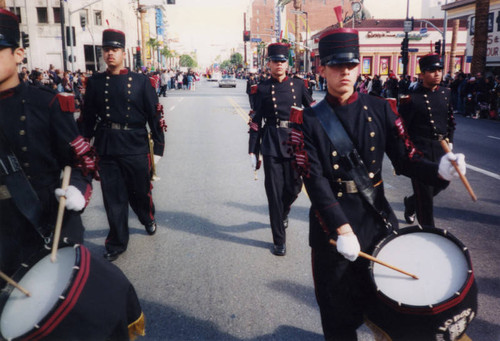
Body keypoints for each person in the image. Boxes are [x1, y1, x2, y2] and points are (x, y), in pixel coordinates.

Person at [288, 28, 466, 340]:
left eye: (351, 65)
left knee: (392, 309)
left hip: (377, 222)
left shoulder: (381, 108)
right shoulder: (308, 121)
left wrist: (439, 170)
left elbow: (406, 158)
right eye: (336, 66)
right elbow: (314, 181)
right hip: (333, 230)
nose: (345, 72)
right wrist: (341, 229)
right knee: (337, 315)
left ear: (358, 68)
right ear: (322, 68)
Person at [0, 8, 97, 277]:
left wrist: (77, 190)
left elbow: (82, 162)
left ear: (18, 54)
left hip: (48, 222)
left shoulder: (46, 102)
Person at [80, 29, 166, 262]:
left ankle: (147, 218)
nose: (110, 54)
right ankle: (117, 242)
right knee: (113, 197)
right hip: (107, 145)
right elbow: (87, 118)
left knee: (140, 193)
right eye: (106, 49)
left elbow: (154, 115)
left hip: (135, 144)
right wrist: (82, 143)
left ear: (123, 53)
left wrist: (158, 147)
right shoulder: (96, 82)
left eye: (115, 49)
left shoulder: (140, 82)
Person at [248, 43, 314, 256]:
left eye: (282, 61)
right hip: (272, 143)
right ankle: (279, 240)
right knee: (274, 194)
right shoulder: (262, 89)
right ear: (268, 64)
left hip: (295, 141)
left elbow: (312, 112)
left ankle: (284, 211)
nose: (279, 65)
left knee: (295, 187)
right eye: (275, 61)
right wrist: (252, 150)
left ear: (288, 64)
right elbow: (256, 120)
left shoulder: (299, 85)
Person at [399, 53, 456, 227]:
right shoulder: (411, 98)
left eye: (439, 70)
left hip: (441, 150)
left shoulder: (446, 93)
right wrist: (406, 154)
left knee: (442, 183)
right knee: (425, 199)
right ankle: (429, 233)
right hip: (420, 152)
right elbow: (402, 128)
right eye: (432, 71)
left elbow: (450, 121)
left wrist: (450, 140)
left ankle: (410, 203)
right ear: (422, 74)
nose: (437, 74)